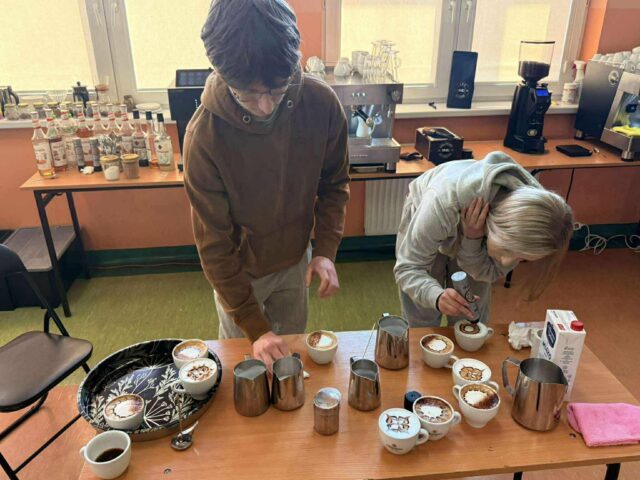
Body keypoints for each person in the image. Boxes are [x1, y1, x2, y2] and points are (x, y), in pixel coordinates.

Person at [184, 0, 350, 370]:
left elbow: (335, 184)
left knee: (290, 358)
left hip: (295, 259)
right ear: (221, 73)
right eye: (248, 93)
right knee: (244, 364)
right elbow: (214, 245)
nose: (265, 107)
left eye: (276, 90)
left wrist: (325, 249)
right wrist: (255, 326)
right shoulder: (204, 137)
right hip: (239, 270)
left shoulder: (321, 104)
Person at [394, 151, 574, 327]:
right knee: (422, 315)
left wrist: (472, 239)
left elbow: (489, 272)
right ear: (497, 223)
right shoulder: (443, 201)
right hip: (433, 214)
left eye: (521, 258)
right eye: (506, 250)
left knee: (471, 313)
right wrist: (436, 297)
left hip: (476, 229)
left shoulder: (535, 222)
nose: (506, 261)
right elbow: (408, 268)